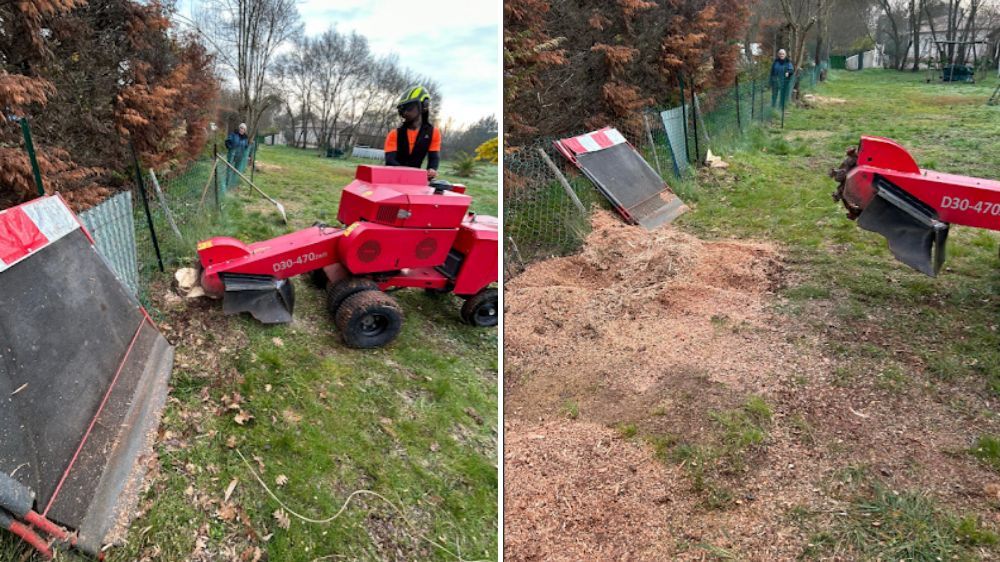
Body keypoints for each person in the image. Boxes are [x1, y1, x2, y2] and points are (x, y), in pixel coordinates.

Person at [384, 85, 441, 179]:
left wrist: (432, 170)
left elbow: (434, 158)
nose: (405, 113)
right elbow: (390, 161)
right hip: (394, 177)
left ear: (424, 105)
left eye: (409, 108)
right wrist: (409, 175)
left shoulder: (433, 133)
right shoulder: (394, 134)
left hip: (416, 180)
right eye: (402, 110)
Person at [224, 122, 252, 189]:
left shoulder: (245, 138)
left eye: (243, 129)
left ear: (245, 130)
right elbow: (227, 141)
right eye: (241, 128)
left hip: (240, 156)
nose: (242, 130)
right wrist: (230, 148)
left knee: (236, 170)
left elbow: (246, 146)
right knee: (229, 169)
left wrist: (248, 155)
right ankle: (226, 184)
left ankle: (233, 185)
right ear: (239, 128)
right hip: (232, 155)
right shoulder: (233, 134)